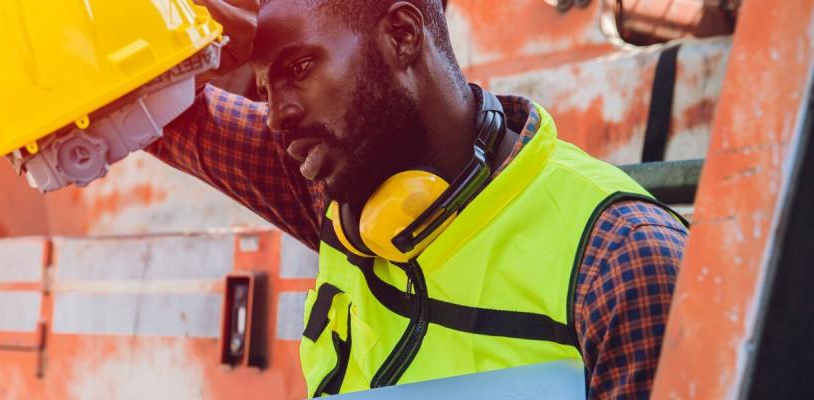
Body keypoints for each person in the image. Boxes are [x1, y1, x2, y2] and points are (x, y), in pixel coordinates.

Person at [144, 0, 689, 398]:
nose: (275, 115)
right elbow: (142, 108)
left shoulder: (621, 260)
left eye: (299, 70)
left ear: (402, 35)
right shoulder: (334, 190)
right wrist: (175, 24)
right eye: (265, 89)